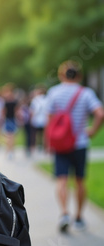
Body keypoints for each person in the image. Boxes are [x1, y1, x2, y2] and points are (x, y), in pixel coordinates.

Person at [46, 60, 103, 233]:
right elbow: (100, 113)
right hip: (79, 143)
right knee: (80, 180)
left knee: (61, 179)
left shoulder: (54, 92)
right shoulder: (85, 93)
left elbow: (49, 119)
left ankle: (64, 213)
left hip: (60, 144)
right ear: (78, 75)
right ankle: (78, 217)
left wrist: (50, 141)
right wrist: (92, 130)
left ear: (62, 74)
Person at [29, 85, 48, 153]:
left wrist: (31, 119)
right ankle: (44, 147)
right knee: (44, 135)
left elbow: (32, 110)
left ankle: (37, 146)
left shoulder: (35, 100)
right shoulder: (46, 99)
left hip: (36, 119)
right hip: (45, 119)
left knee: (36, 134)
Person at [2, 83, 19, 159]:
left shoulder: (6, 102)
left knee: (9, 136)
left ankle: (8, 151)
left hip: (8, 119)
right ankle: (11, 151)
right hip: (12, 119)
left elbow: (3, 111)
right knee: (12, 136)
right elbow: (17, 111)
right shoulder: (15, 101)